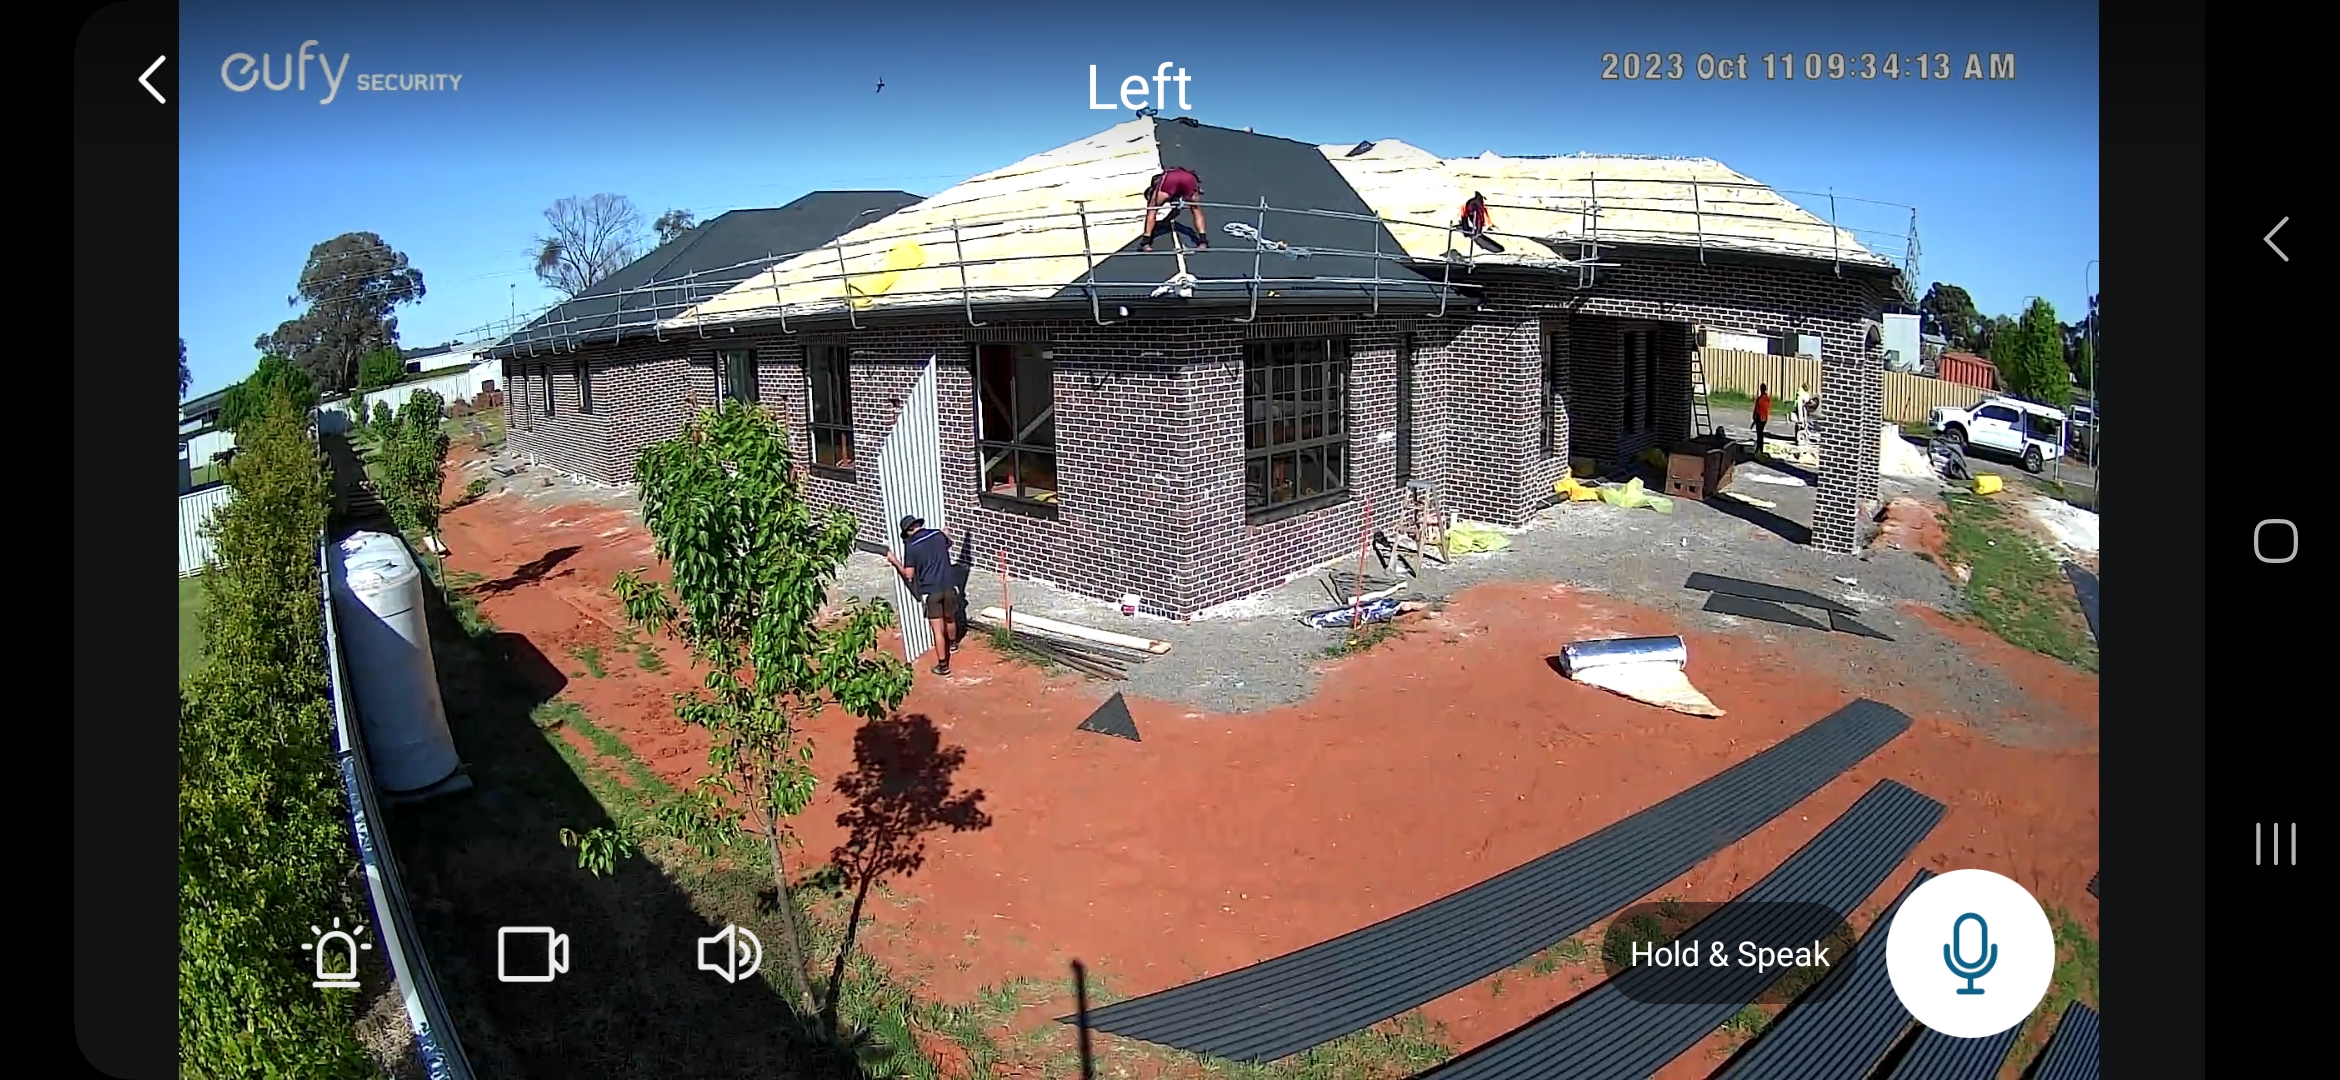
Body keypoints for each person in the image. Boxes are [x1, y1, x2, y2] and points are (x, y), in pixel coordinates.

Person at [885, 516, 962, 676]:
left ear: (908, 531)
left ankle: (943, 666)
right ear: (919, 525)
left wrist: (895, 561)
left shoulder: (912, 546)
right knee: (950, 618)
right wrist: (946, 534)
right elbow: (949, 544)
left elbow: (909, 574)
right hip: (949, 585)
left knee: (937, 631)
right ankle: (953, 644)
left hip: (931, 590)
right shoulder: (937, 535)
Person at [1139, 168, 1208, 253]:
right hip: (1188, 178)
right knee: (1196, 210)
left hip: (1171, 179)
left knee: (1152, 210)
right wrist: (1165, 221)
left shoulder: (1158, 185)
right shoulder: (1182, 177)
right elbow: (1176, 211)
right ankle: (1203, 241)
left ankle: (1146, 243)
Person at [1752, 384, 1773, 456]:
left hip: (1759, 417)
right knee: (1761, 434)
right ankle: (1760, 449)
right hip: (1764, 418)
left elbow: (1757, 408)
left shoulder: (1760, 399)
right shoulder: (1767, 399)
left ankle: (1759, 449)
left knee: (1759, 435)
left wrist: (1754, 416)